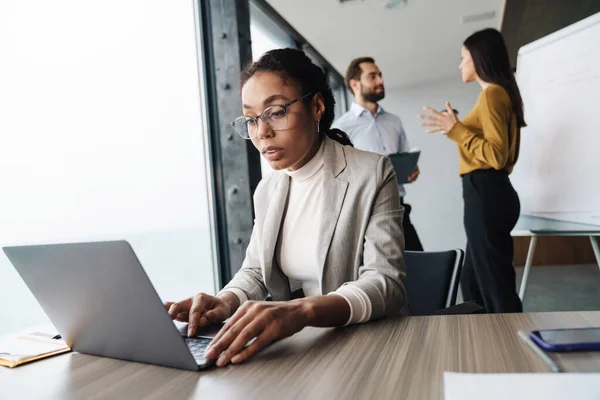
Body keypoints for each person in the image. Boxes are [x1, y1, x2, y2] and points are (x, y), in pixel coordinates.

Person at [165, 48, 409, 367]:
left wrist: (303, 311)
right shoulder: (269, 189)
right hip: (303, 354)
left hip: (368, 351)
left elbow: (385, 283)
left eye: (276, 112)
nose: (262, 132)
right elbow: (255, 270)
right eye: (251, 119)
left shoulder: (372, 172)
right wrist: (225, 302)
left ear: (317, 106)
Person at [418, 28, 526, 313]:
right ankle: (488, 343)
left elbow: (495, 155)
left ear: (479, 58)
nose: (460, 64)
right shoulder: (499, 94)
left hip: (486, 190)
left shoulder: (492, 95)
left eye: (463, 57)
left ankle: (510, 347)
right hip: (489, 191)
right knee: (474, 282)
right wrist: (458, 128)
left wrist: (457, 130)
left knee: (494, 285)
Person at [333, 57, 424, 251]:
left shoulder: (394, 121)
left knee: (421, 268)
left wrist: (411, 170)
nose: (380, 81)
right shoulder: (342, 127)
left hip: (399, 209)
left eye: (380, 75)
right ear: (355, 84)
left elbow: (403, 156)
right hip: (367, 214)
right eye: (372, 76)